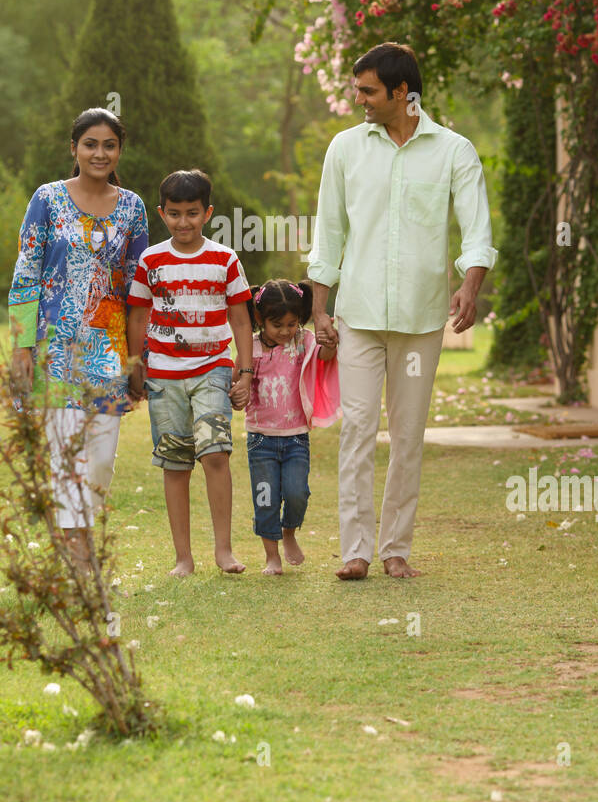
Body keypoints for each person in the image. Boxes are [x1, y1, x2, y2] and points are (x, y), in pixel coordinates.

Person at [307, 42, 497, 581]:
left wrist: (470, 284)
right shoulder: (344, 149)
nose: (358, 98)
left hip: (420, 320)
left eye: (368, 90)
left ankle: (395, 549)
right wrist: (319, 310)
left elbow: (477, 230)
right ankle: (356, 551)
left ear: (400, 93)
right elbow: (328, 236)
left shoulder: (454, 151)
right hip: (359, 317)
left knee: (408, 434)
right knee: (358, 430)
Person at [8, 107, 148, 568]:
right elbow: (26, 273)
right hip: (54, 346)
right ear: (74, 149)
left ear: (119, 150)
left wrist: (137, 360)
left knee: (102, 455)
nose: (100, 153)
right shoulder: (47, 199)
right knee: (64, 450)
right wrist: (21, 346)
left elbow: (137, 288)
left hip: (107, 348)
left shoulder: (132, 207)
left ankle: (78, 541)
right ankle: (77, 555)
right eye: (90, 144)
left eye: (109, 144)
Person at [126, 169, 253, 577]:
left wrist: (245, 369)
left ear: (208, 213)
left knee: (216, 453)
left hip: (212, 367)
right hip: (163, 373)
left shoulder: (224, 259)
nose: (184, 222)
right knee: (176, 462)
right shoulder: (151, 260)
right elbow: (139, 315)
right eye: (176, 214)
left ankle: (224, 550)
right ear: (162, 214)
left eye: (193, 213)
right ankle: (183, 557)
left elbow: (240, 317)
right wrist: (135, 365)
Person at [244, 279, 340, 574]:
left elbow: (323, 358)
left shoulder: (303, 341)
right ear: (260, 320)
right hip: (261, 439)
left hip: (296, 437)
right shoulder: (253, 348)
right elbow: (241, 380)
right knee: (265, 496)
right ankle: (271, 556)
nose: (286, 331)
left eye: (292, 323)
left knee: (297, 493)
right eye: (278, 325)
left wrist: (329, 342)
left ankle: (289, 532)